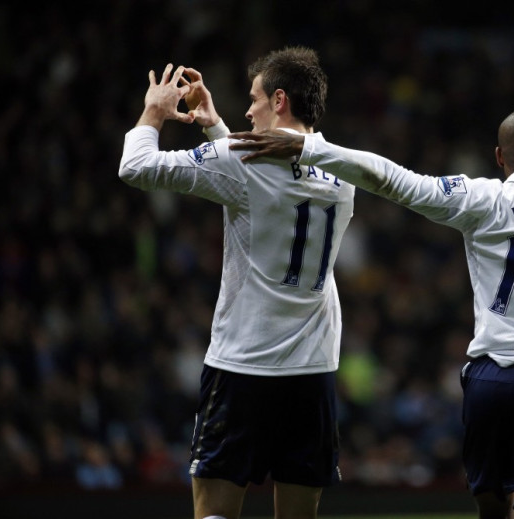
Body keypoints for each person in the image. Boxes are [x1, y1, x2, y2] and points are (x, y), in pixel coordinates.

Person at [228, 108, 514, 519]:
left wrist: (311, 148)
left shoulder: (481, 198)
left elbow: (392, 178)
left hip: (490, 378)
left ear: (500, 157)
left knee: (492, 508)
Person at [118, 46, 354, 519]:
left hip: (243, 367)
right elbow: (266, 196)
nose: (248, 110)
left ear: (280, 100)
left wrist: (153, 112)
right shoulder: (341, 168)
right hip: (313, 371)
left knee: (214, 513)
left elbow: (136, 168)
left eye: (255, 99)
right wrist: (214, 125)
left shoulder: (240, 162)